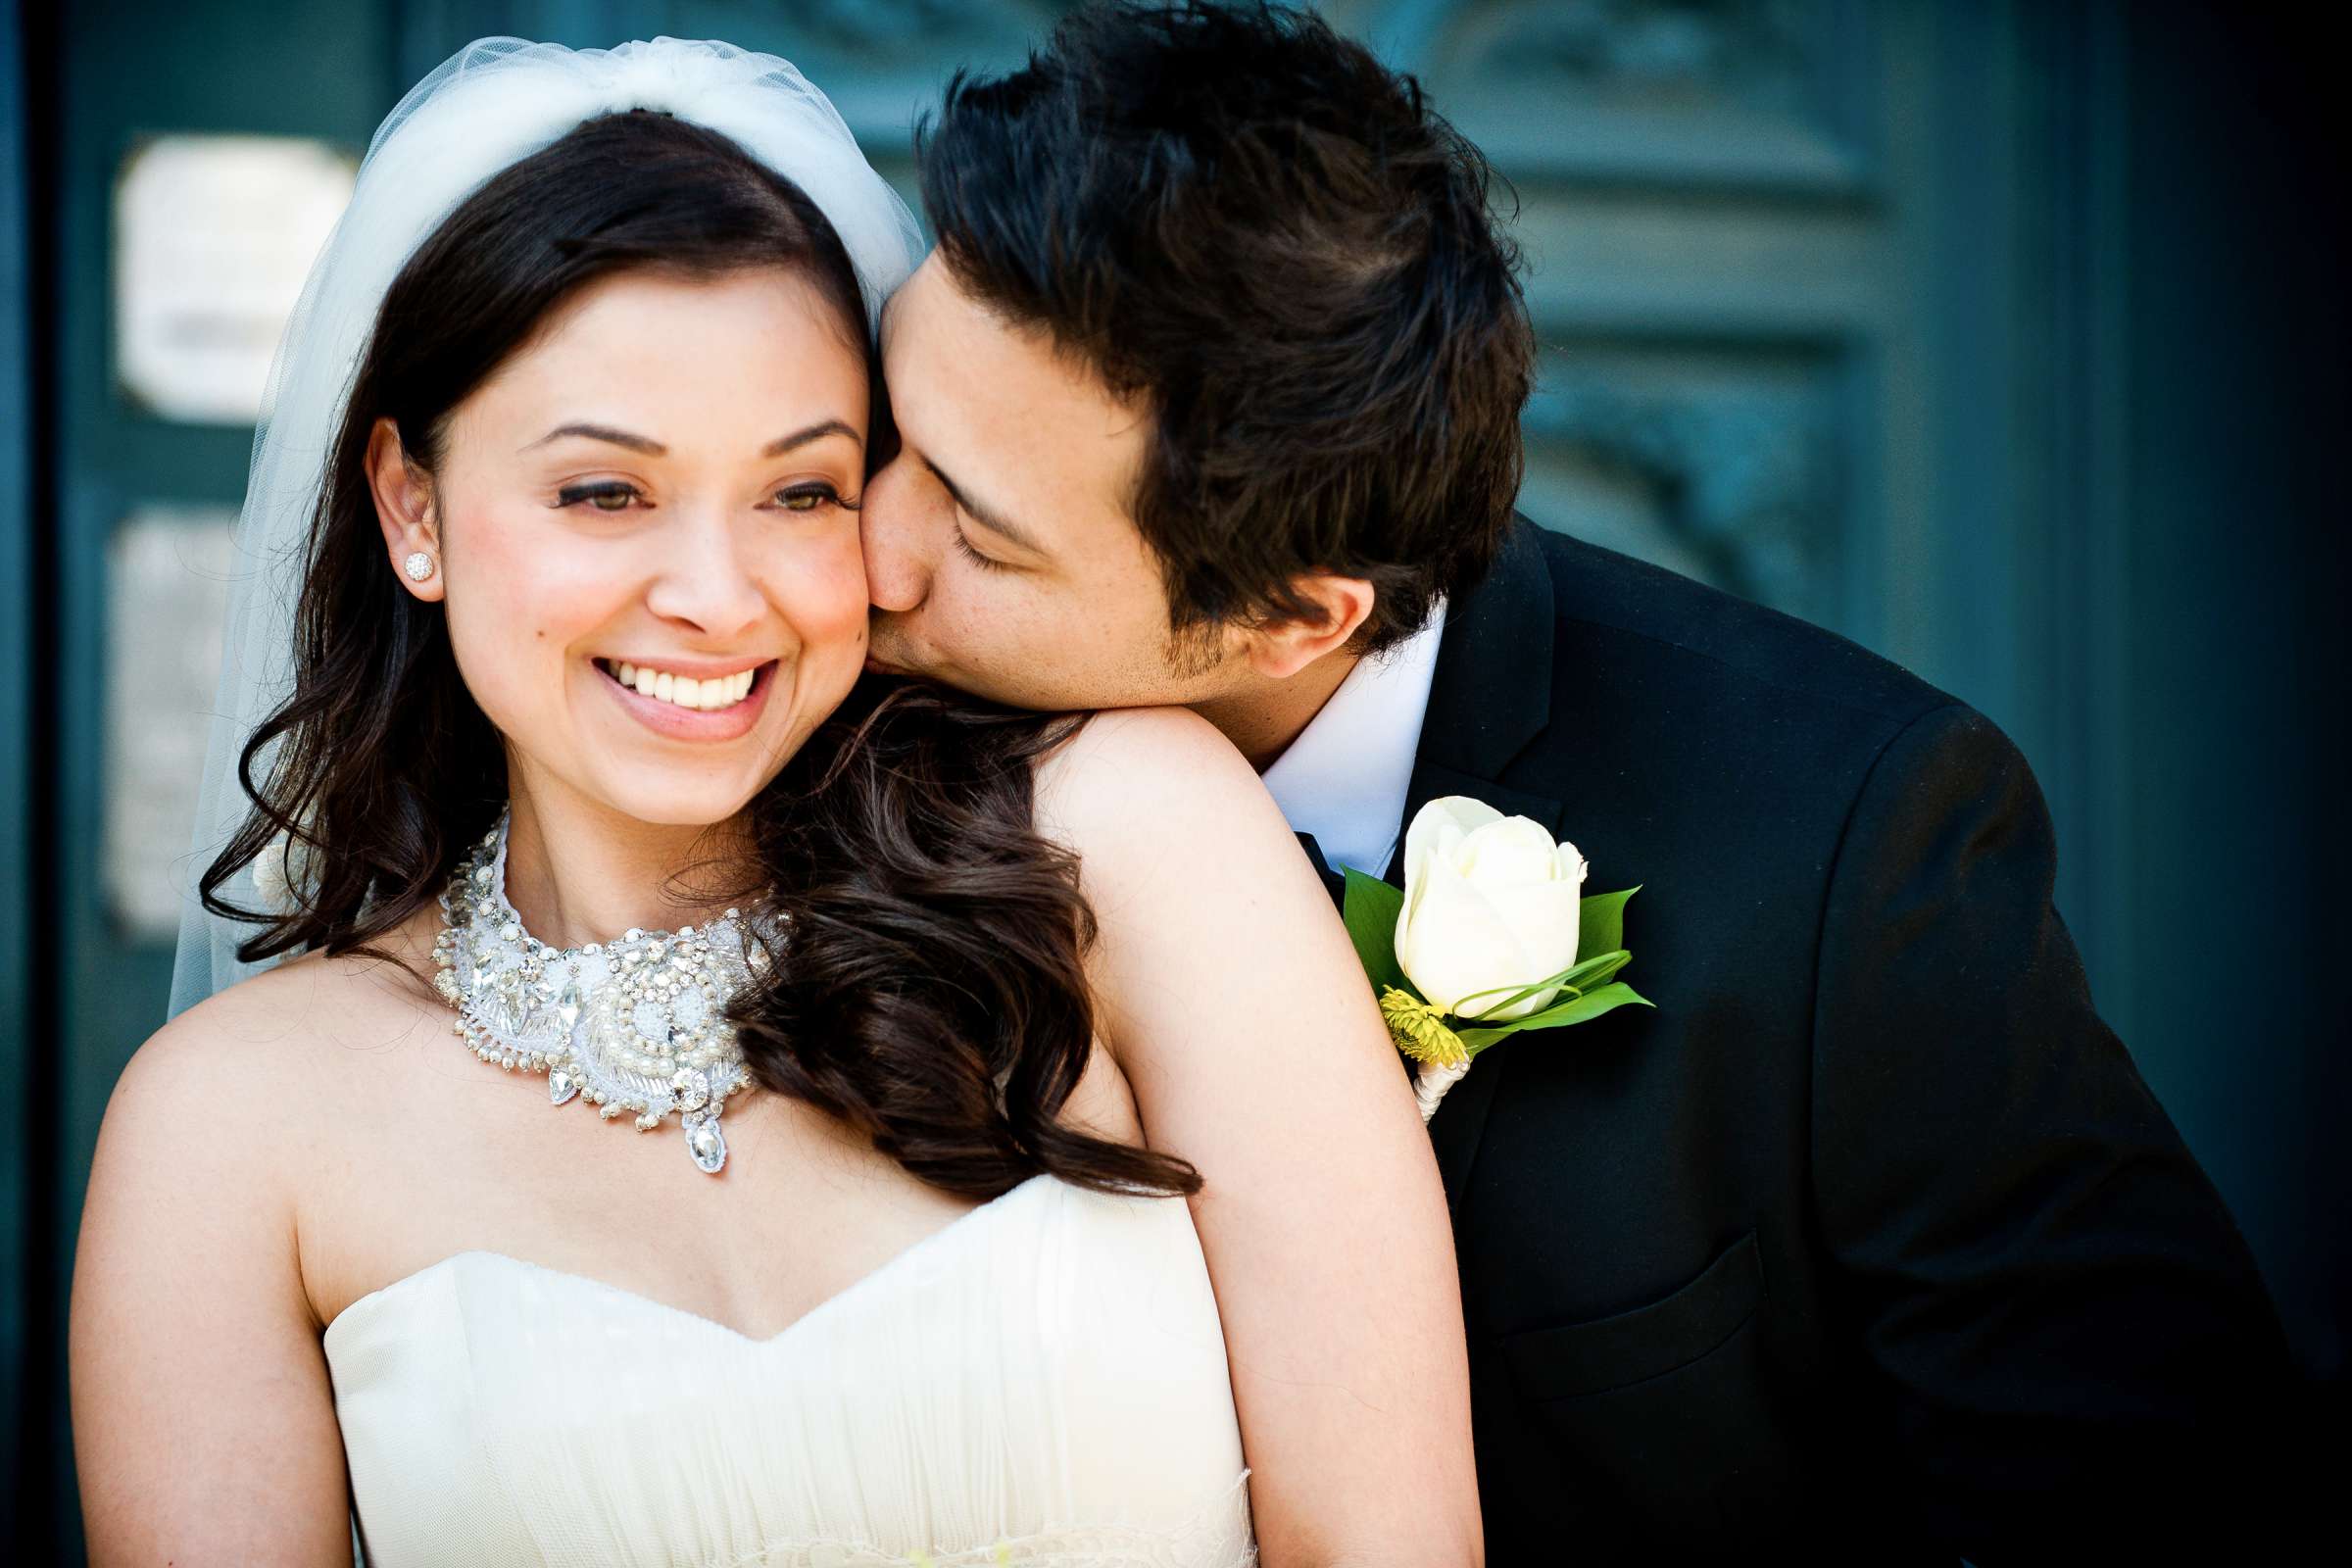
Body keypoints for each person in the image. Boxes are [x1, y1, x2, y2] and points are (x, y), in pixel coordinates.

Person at [859, 1, 2297, 1556]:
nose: (859, 547)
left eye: (976, 530)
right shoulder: (781, 729)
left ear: (1292, 615)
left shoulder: (1836, 849)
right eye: (888, 425)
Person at [69, 38, 1476, 1567]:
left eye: (803, 490)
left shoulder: (1126, 841)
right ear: (411, 505)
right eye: (602, 492)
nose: (713, 596)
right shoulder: (226, 1131)